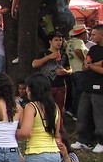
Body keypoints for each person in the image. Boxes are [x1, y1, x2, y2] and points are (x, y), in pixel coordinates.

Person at [72, 24, 103, 153]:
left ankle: (101, 141)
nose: (91, 36)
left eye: (94, 34)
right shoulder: (93, 49)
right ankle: (84, 140)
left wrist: (91, 65)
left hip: (100, 88)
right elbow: (85, 65)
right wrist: (92, 64)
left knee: (99, 115)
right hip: (87, 86)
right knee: (83, 113)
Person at [32, 31, 71, 115]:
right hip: (46, 86)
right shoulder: (44, 53)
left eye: (60, 40)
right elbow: (34, 64)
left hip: (60, 86)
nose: (59, 42)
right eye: (56, 40)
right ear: (50, 42)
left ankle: (58, 127)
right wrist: (49, 57)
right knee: (44, 109)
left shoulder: (64, 55)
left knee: (59, 110)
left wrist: (65, 72)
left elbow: (70, 69)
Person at [65, 24, 89, 119]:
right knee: (81, 92)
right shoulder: (79, 42)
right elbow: (78, 51)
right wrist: (85, 61)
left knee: (76, 92)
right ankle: (75, 112)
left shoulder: (69, 42)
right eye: (86, 33)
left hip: (73, 70)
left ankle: (72, 110)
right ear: (82, 34)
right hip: (80, 70)